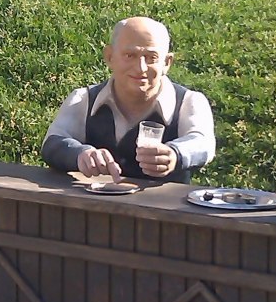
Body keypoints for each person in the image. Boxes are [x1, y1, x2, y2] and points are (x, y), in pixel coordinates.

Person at [42, 16, 215, 183]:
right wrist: (80, 154)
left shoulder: (189, 102)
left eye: (151, 58)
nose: (141, 68)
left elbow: (203, 144)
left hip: (164, 204)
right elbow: (52, 143)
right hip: (93, 202)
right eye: (129, 55)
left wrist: (175, 154)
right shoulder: (82, 100)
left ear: (166, 63)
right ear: (110, 57)